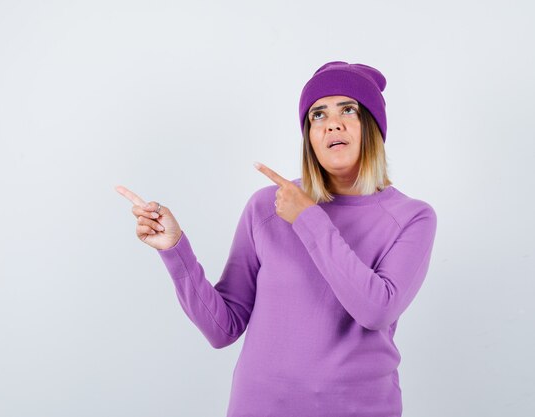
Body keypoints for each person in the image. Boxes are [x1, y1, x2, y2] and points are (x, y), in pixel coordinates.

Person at [115, 60, 438, 417]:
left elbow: (375, 310)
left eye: (350, 109)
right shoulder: (266, 207)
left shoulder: (412, 218)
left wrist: (307, 218)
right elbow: (223, 328)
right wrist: (175, 250)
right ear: (309, 135)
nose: (333, 122)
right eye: (318, 114)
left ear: (373, 126)